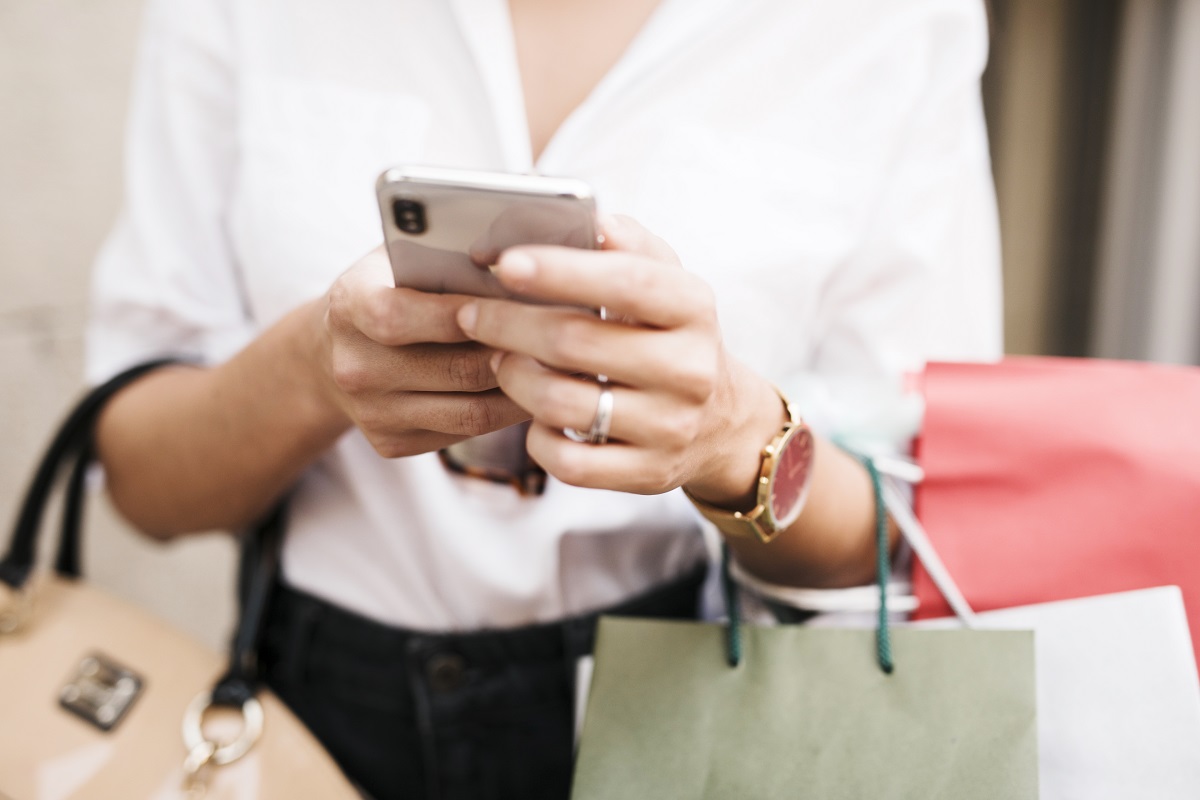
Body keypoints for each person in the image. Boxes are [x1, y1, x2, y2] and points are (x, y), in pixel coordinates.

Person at [87, 0, 1001, 797]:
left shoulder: (890, 20)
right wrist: (310, 367)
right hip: (313, 717)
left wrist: (736, 442)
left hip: (696, 700)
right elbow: (142, 481)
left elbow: (915, 527)